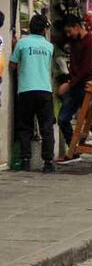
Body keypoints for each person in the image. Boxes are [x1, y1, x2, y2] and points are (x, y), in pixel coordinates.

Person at [10, 15, 56, 172]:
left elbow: (13, 65)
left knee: (25, 126)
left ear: (30, 28)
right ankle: (48, 162)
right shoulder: (49, 47)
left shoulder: (22, 43)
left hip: (26, 90)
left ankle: (25, 160)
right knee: (46, 127)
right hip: (44, 90)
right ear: (44, 30)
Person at [56, 15, 92, 163]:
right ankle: (73, 150)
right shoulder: (73, 41)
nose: (69, 35)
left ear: (77, 26)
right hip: (75, 84)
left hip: (88, 85)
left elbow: (86, 70)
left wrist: (68, 85)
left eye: (70, 31)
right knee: (63, 118)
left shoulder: (90, 42)